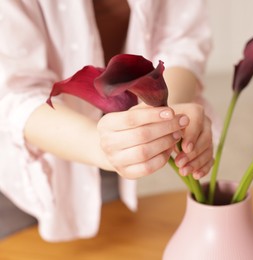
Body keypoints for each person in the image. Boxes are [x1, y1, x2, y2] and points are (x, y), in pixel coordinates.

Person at [0, 0, 215, 241]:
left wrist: (165, 117)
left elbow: (181, 43)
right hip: (18, 164)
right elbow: (14, 94)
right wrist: (102, 146)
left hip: (111, 142)